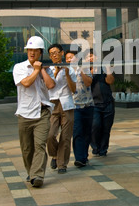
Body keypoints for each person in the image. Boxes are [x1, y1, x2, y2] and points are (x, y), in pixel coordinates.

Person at [12, 36, 55, 188]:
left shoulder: (47, 69)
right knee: (27, 148)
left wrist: (42, 70)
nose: (31, 53)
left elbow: (50, 85)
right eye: (29, 50)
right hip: (24, 113)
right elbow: (26, 83)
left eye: (35, 50)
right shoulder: (19, 67)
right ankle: (31, 171)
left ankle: (37, 176)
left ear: (40, 52)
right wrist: (36, 70)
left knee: (40, 145)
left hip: (42, 112)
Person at [46, 43, 77, 174]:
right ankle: (54, 155)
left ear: (62, 53)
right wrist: (57, 71)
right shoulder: (47, 69)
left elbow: (74, 89)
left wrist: (67, 74)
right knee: (50, 135)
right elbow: (49, 86)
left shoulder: (70, 68)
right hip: (53, 104)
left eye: (56, 52)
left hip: (67, 104)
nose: (54, 55)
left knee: (65, 136)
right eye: (51, 53)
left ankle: (62, 164)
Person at [66, 50, 94, 168]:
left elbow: (88, 83)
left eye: (71, 57)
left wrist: (81, 70)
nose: (69, 60)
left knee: (87, 133)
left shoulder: (85, 68)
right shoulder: (65, 71)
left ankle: (84, 156)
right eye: (67, 58)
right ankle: (79, 158)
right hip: (75, 106)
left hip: (88, 105)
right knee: (77, 132)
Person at [90, 51, 115, 157]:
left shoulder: (103, 69)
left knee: (106, 127)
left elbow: (110, 81)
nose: (90, 58)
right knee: (95, 126)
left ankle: (103, 149)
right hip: (94, 104)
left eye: (92, 56)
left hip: (108, 102)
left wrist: (108, 70)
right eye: (88, 57)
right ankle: (95, 147)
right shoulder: (85, 70)